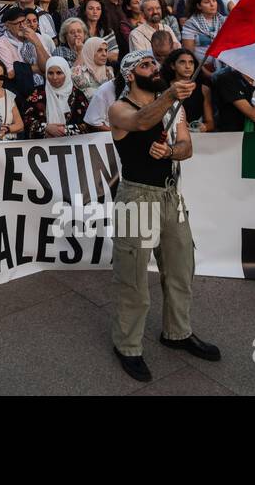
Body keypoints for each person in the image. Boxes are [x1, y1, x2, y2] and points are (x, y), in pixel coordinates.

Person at [107, 50, 218, 383]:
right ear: (129, 74)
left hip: (171, 195)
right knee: (134, 278)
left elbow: (187, 146)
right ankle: (127, 346)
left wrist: (170, 151)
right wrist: (170, 94)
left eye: (154, 64)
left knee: (182, 268)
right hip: (135, 196)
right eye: (144, 65)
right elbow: (140, 122)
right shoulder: (119, 108)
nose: (153, 68)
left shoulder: (173, 105)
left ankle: (177, 333)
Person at [21, 57, 89, 138]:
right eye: (50, 73)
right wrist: (46, 128)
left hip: (73, 145)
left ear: (66, 73)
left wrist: (64, 131)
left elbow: (88, 124)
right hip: (43, 146)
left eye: (59, 73)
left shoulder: (78, 95)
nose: (54, 77)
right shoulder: (37, 94)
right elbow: (26, 121)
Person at [162, 49, 215, 132]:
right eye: (182, 62)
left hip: (194, 135)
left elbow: (210, 123)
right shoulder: (163, 87)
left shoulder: (204, 89)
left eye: (191, 62)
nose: (188, 66)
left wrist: (203, 127)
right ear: (173, 65)